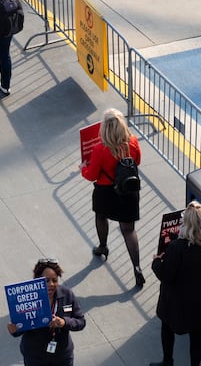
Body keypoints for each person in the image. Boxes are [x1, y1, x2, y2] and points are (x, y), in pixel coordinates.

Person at [149, 201, 201, 366]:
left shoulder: (177, 247)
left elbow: (166, 275)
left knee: (167, 327)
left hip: (177, 299)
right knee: (196, 336)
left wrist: (156, 262)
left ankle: (167, 361)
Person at [80, 108, 145, 287]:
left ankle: (103, 246)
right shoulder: (132, 141)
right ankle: (137, 267)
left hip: (105, 191)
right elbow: (137, 161)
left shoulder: (100, 149)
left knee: (101, 216)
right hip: (128, 191)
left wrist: (82, 168)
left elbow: (91, 175)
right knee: (129, 230)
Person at [7, 258, 86, 366]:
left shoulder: (67, 294)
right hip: (35, 358)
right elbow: (19, 329)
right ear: (37, 280)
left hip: (62, 356)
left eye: (55, 280)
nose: (51, 284)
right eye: (46, 280)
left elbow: (80, 322)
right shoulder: (27, 298)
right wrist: (14, 330)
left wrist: (64, 322)